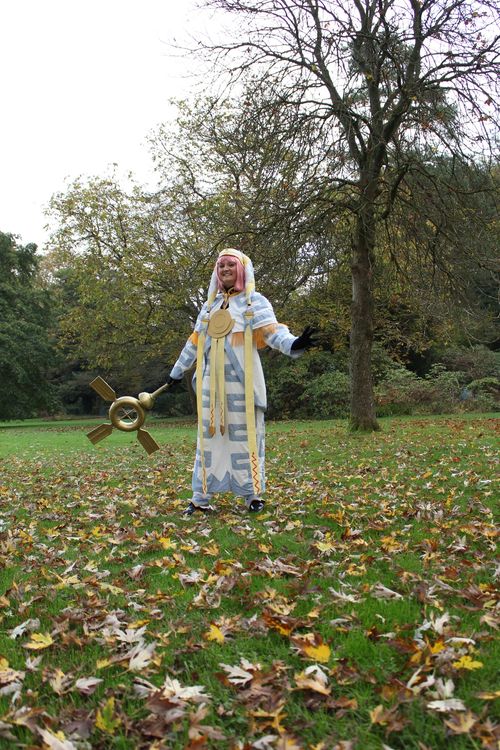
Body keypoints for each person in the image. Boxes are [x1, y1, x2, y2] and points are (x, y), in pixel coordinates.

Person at [168, 248, 317, 516]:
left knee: (246, 438)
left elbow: (273, 333)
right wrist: (176, 371)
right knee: (208, 440)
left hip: (243, 387)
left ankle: (252, 495)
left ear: (241, 270)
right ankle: (200, 497)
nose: (225, 269)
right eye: (221, 265)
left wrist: (294, 343)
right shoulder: (209, 307)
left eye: (230, 264)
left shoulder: (253, 302)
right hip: (209, 387)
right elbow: (194, 343)